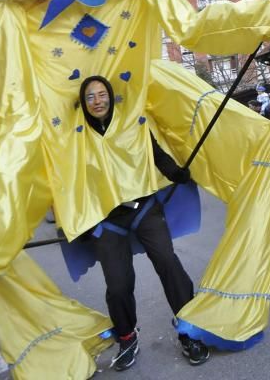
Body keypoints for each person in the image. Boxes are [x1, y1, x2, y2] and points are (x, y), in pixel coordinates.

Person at [79, 75, 208, 370]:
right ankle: (127, 337)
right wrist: (76, 223)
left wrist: (177, 173)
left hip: (144, 207)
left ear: (111, 97)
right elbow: (70, 182)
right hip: (106, 219)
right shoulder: (76, 137)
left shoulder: (131, 125)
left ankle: (189, 329)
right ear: (83, 104)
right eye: (90, 97)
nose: (97, 101)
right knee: (118, 283)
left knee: (167, 261)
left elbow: (156, 155)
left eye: (102, 94)